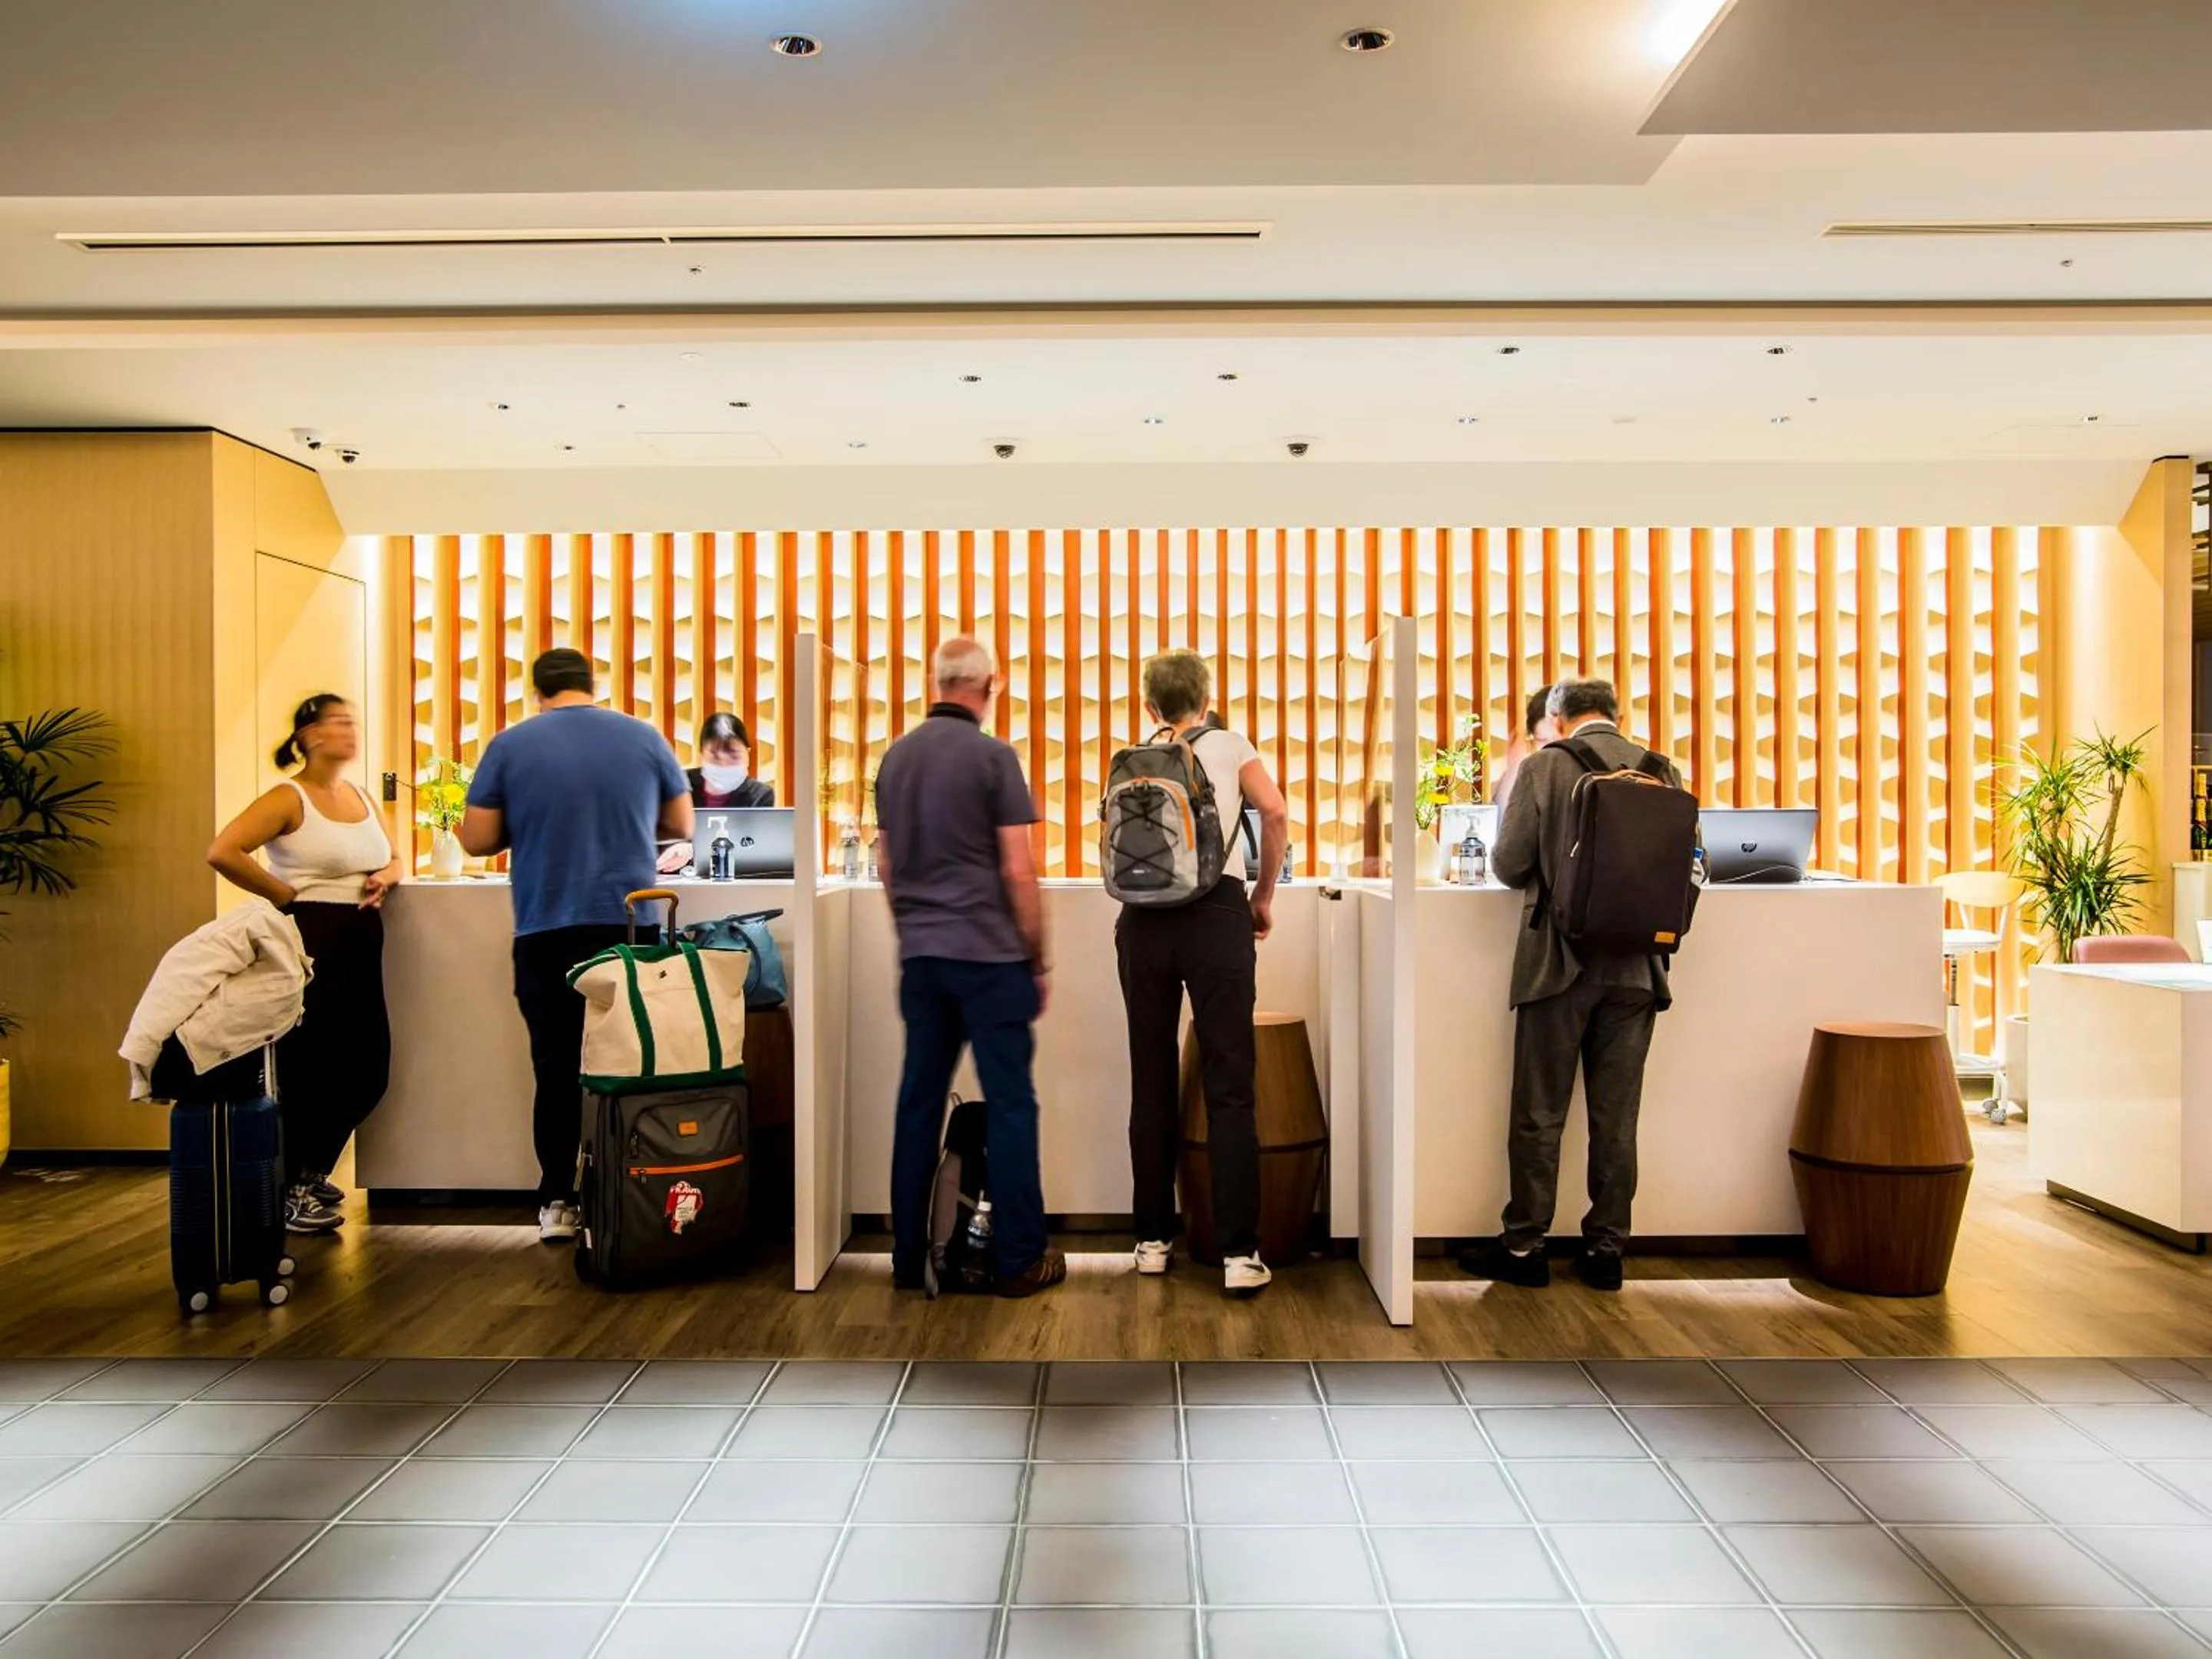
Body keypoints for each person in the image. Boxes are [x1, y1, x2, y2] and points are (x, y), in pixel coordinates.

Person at [458, 648, 694, 1243]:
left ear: (538, 691)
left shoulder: (510, 746)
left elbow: (479, 840)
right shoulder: (644, 738)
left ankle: (559, 1202)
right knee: (634, 1062)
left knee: (557, 1067)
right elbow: (682, 826)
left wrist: (530, 822)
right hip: (628, 927)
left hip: (546, 929)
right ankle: (634, 1189)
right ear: (593, 685)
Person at [1461, 678, 1679, 1293]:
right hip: (1639, 970)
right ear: (1617, 714)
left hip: (1558, 966)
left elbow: (1508, 866)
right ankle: (1606, 1250)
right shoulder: (1661, 769)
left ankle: (1525, 1247)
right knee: (1617, 1118)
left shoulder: (1544, 768)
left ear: (1556, 716)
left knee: (1539, 1113)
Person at [874, 637, 1063, 1298]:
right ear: (990, 686)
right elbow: (1018, 867)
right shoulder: (993, 758)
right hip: (990, 959)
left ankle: (905, 1260)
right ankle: (1018, 1260)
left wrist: (913, 933)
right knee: (1011, 1104)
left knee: (917, 1104)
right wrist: (1036, 958)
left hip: (923, 960)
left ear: (937, 683)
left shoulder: (895, 759)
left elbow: (887, 865)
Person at [1116, 651, 1290, 1296]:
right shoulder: (1230, 742)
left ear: (1149, 705)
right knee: (1229, 1080)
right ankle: (1238, 1253)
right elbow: (1272, 812)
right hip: (1217, 915)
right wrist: (1263, 896)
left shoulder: (1136, 754)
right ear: (1207, 696)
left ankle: (1152, 1242)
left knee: (1151, 1077)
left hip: (1143, 922)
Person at [207, 694, 402, 1234]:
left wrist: (390, 874)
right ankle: (291, 1184)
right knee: (315, 1067)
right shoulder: (288, 797)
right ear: (308, 736)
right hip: (314, 937)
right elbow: (223, 851)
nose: (349, 731)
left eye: (352, 722)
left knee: (369, 1067)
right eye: (337, 723)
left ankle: (308, 1170)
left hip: (363, 936)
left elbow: (393, 852)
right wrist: (285, 895)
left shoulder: (360, 795)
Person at [657, 711, 774, 874]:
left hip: (735, 881)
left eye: (734, 756)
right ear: (701, 754)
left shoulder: (760, 795)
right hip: (676, 881)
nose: (724, 764)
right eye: (714, 756)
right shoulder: (680, 785)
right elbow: (659, 833)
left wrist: (694, 849)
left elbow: (752, 847)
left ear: (747, 753)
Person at [1492, 684, 1561, 812]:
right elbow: (1501, 822)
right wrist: (1514, 767)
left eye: (1559, 740)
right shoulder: (1528, 773)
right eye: (1542, 740)